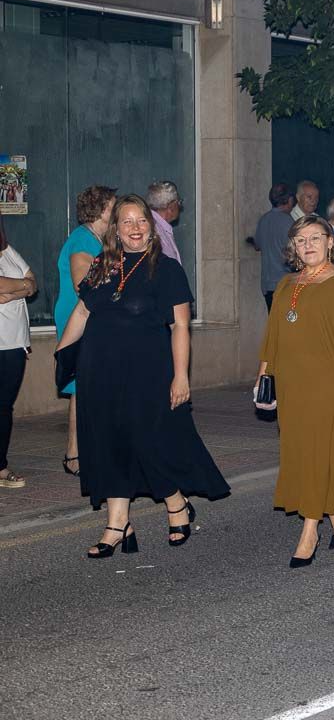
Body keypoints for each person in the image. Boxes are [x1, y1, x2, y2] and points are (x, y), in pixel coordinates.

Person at [57, 196, 229, 558]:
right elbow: (83, 312)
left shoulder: (165, 269)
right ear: (115, 230)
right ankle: (117, 525)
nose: (135, 228)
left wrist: (181, 376)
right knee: (109, 445)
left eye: (141, 222)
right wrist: (61, 354)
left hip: (149, 374)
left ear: (151, 229)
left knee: (150, 441)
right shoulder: (102, 267)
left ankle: (176, 503)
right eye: (127, 222)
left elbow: (180, 326)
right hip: (99, 372)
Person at [254, 215, 334, 567]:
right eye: (301, 240)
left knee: (320, 453)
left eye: (315, 238)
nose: (308, 245)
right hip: (292, 385)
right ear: (293, 246)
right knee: (300, 453)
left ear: (330, 242)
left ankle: (310, 530)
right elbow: (272, 339)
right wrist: (265, 380)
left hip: (328, 384)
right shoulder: (285, 285)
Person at [53, 184, 116, 476]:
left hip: (91, 317)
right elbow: (84, 284)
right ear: (103, 209)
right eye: (114, 205)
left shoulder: (97, 238)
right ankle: (75, 454)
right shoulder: (82, 240)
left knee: (88, 386)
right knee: (83, 386)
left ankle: (81, 452)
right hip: (79, 319)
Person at [0, 214, 35, 489]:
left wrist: (17, 289)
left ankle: (0, 466)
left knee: (3, 408)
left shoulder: (7, 251)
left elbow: (33, 282)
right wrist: (20, 287)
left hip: (14, 343)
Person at [254, 183, 297, 309]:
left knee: (275, 325)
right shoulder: (288, 222)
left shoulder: (263, 220)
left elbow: (258, 245)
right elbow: (295, 251)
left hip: (268, 285)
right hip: (286, 284)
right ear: (289, 200)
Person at [146, 180, 183, 263]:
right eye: (179, 202)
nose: (180, 207)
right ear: (171, 206)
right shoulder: (154, 229)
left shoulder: (158, 226)